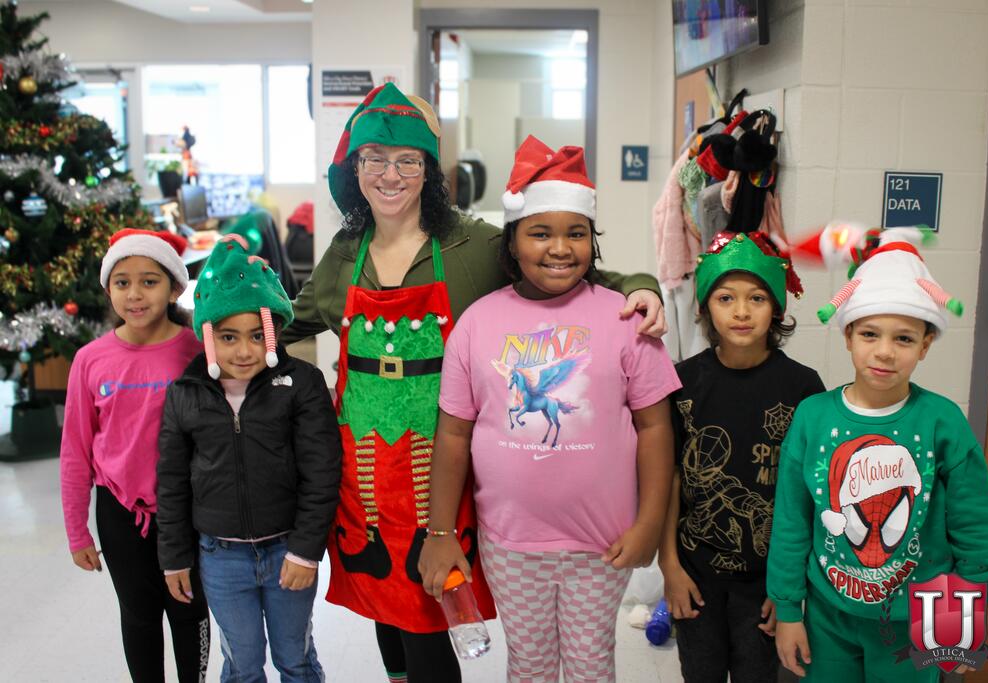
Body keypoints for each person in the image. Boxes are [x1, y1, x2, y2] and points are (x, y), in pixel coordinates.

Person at [279, 82, 667, 682]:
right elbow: (286, 324)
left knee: (431, 608)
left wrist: (642, 285)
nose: (390, 175)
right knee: (386, 603)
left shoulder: (472, 244)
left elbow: (566, 268)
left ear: (429, 170)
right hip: (365, 467)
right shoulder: (344, 253)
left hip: (440, 464)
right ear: (355, 169)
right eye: (375, 159)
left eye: (408, 161)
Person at [417, 136, 680, 683]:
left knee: (590, 666)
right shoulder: (477, 324)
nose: (560, 248)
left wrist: (650, 523)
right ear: (512, 242)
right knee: (530, 665)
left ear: (593, 241)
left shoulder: (626, 320)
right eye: (540, 233)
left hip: (603, 544)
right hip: (510, 543)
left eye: (576, 233)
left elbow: (656, 428)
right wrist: (440, 534)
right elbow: (453, 436)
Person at [768, 227, 988, 681]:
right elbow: (792, 520)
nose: (885, 352)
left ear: (925, 345)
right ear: (848, 335)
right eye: (870, 334)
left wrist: (961, 618)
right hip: (828, 616)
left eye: (904, 339)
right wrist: (788, 608)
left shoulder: (942, 421)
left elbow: (972, 526)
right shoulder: (813, 417)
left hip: (919, 616)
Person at [157, 235, 340, 682]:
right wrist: (175, 557)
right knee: (242, 663)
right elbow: (172, 482)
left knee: (295, 658)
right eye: (228, 337)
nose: (244, 351)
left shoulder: (302, 384)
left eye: (258, 336)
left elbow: (321, 472)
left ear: (274, 333)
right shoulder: (185, 394)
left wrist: (305, 551)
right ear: (207, 336)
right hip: (220, 556)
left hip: (286, 549)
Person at [657, 227, 824, 683]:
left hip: (768, 579)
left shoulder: (804, 388)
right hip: (695, 574)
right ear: (705, 307)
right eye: (726, 298)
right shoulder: (681, 383)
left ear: (777, 307)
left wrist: (789, 587)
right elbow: (669, 477)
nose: (742, 311)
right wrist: (669, 566)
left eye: (757, 298)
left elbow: (811, 494)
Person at [60, 228, 210, 681]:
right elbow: (75, 452)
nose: (135, 294)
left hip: (188, 510)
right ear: (108, 289)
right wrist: (77, 533)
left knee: (189, 612)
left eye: (149, 281)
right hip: (120, 513)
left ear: (174, 288)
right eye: (122, 282)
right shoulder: (90, 359)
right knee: (139, 615)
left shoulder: (197, 351)